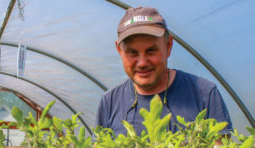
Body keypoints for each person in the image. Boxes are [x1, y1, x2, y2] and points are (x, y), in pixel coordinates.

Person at [96, 7, 233, 137]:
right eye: (132, 52)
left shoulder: (204, 94)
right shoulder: (110, 102)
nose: (142, 63)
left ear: (168, 46)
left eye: (151, 51)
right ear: (119, 51)